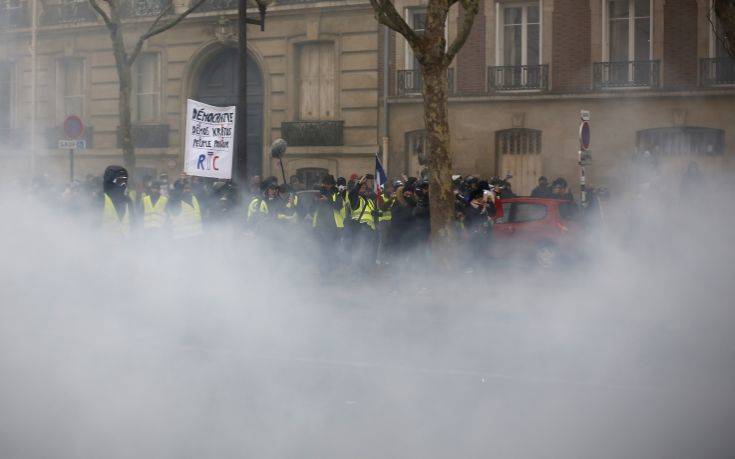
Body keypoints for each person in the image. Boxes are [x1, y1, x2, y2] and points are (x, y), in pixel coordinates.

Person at [312, 175, 345, 275]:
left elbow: (339, 206)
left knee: (332, 248)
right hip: (320, 226)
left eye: (325, 184)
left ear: (330, 184)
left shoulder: (336, 194)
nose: (323, 185)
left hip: (333, 226)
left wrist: (327, 200)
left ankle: (331, 268)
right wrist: (316, 201)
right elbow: (312, 209)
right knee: (322, 249)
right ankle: (324, 271)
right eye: (323, 183)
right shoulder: (319, 194)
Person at [101, 165, 133, 237]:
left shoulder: (127, 200)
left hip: (125, 244)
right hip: (107, 244)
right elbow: (94, 223)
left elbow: (133, 221)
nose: (123, 185)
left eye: (125, 181)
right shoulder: (101, 199)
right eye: (119, 181)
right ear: (110, 182)